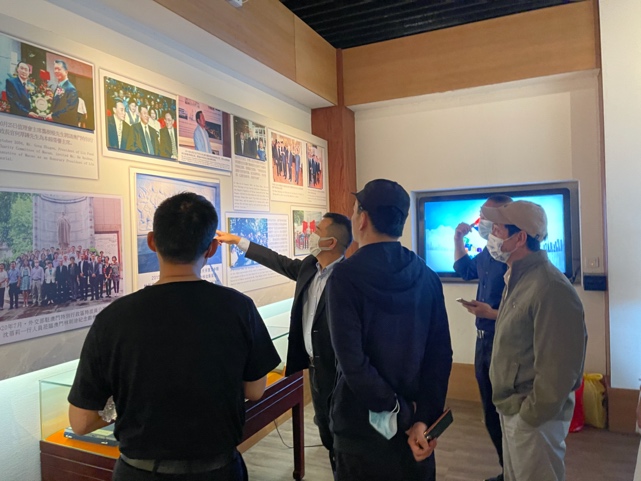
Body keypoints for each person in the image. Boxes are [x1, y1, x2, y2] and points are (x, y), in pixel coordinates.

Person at [68, 192, 280, 481]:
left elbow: (80, 422)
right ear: (212, 248)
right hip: (217, 470)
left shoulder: (113, 317)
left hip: (139, 473)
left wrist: (125, 408)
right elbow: (254, 391)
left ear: (152, 241)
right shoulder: (239, 308)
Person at [327, 179, 453, 481]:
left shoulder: (344, 277)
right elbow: (440, 356)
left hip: (361, 431)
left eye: (355, 210)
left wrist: (400, 412)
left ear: (363, 219)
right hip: (415, 435)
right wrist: (422, 419)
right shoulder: (427, 276)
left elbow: (353, 363)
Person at [216, 212, 353, 475]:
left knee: (344, 435)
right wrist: (239, 241)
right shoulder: (309, 267)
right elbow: (277, 261)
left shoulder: (350, 278)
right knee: (326, 430)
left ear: (330, 242)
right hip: (315, 368)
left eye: (318, 230)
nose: (311, 233)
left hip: (341, 372)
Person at [482, 200, 587, 481]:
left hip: (532, 417)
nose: (491, 235)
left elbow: (560, 369)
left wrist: (530, 416)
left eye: (498, 229)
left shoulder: (550, 287)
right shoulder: (518, 278)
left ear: (520, 238)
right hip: (513, 409)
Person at [453, 194, 513, 481]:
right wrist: (457, 239)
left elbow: (525, 311)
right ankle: (507, 470)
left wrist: (491, 313)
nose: (481, 222)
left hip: (505, 341)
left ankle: (515, 471)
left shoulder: (514, 257)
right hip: (483, 342)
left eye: (486, 216)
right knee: (489, 412)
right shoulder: (490, 253)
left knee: (507, 413)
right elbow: (464, 270)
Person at [47, 60, 78, 126]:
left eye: (59, 69)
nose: (56, 71)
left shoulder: (71, 89)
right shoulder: (59, 86)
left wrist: (53, 116)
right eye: (55, 69)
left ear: (66, 72)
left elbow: (70, 110)